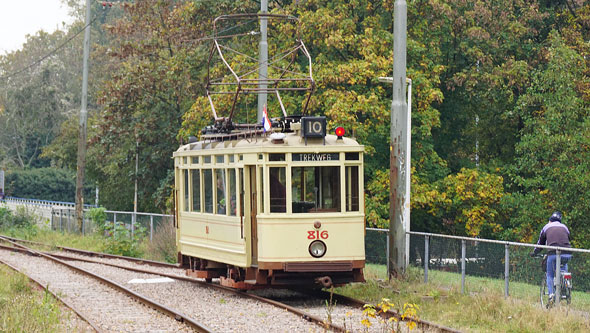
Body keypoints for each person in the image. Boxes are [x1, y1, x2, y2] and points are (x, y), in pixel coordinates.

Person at [531, 211, 572, 302]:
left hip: (553, 254)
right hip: (567, 253)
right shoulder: (565, 227)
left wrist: (534, 252)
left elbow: (540, 243)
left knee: (550, 274)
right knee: (563, 266)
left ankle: (551, 295)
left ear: (550, 220)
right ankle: (565, 285)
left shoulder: (546, 227)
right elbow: (569, 238)